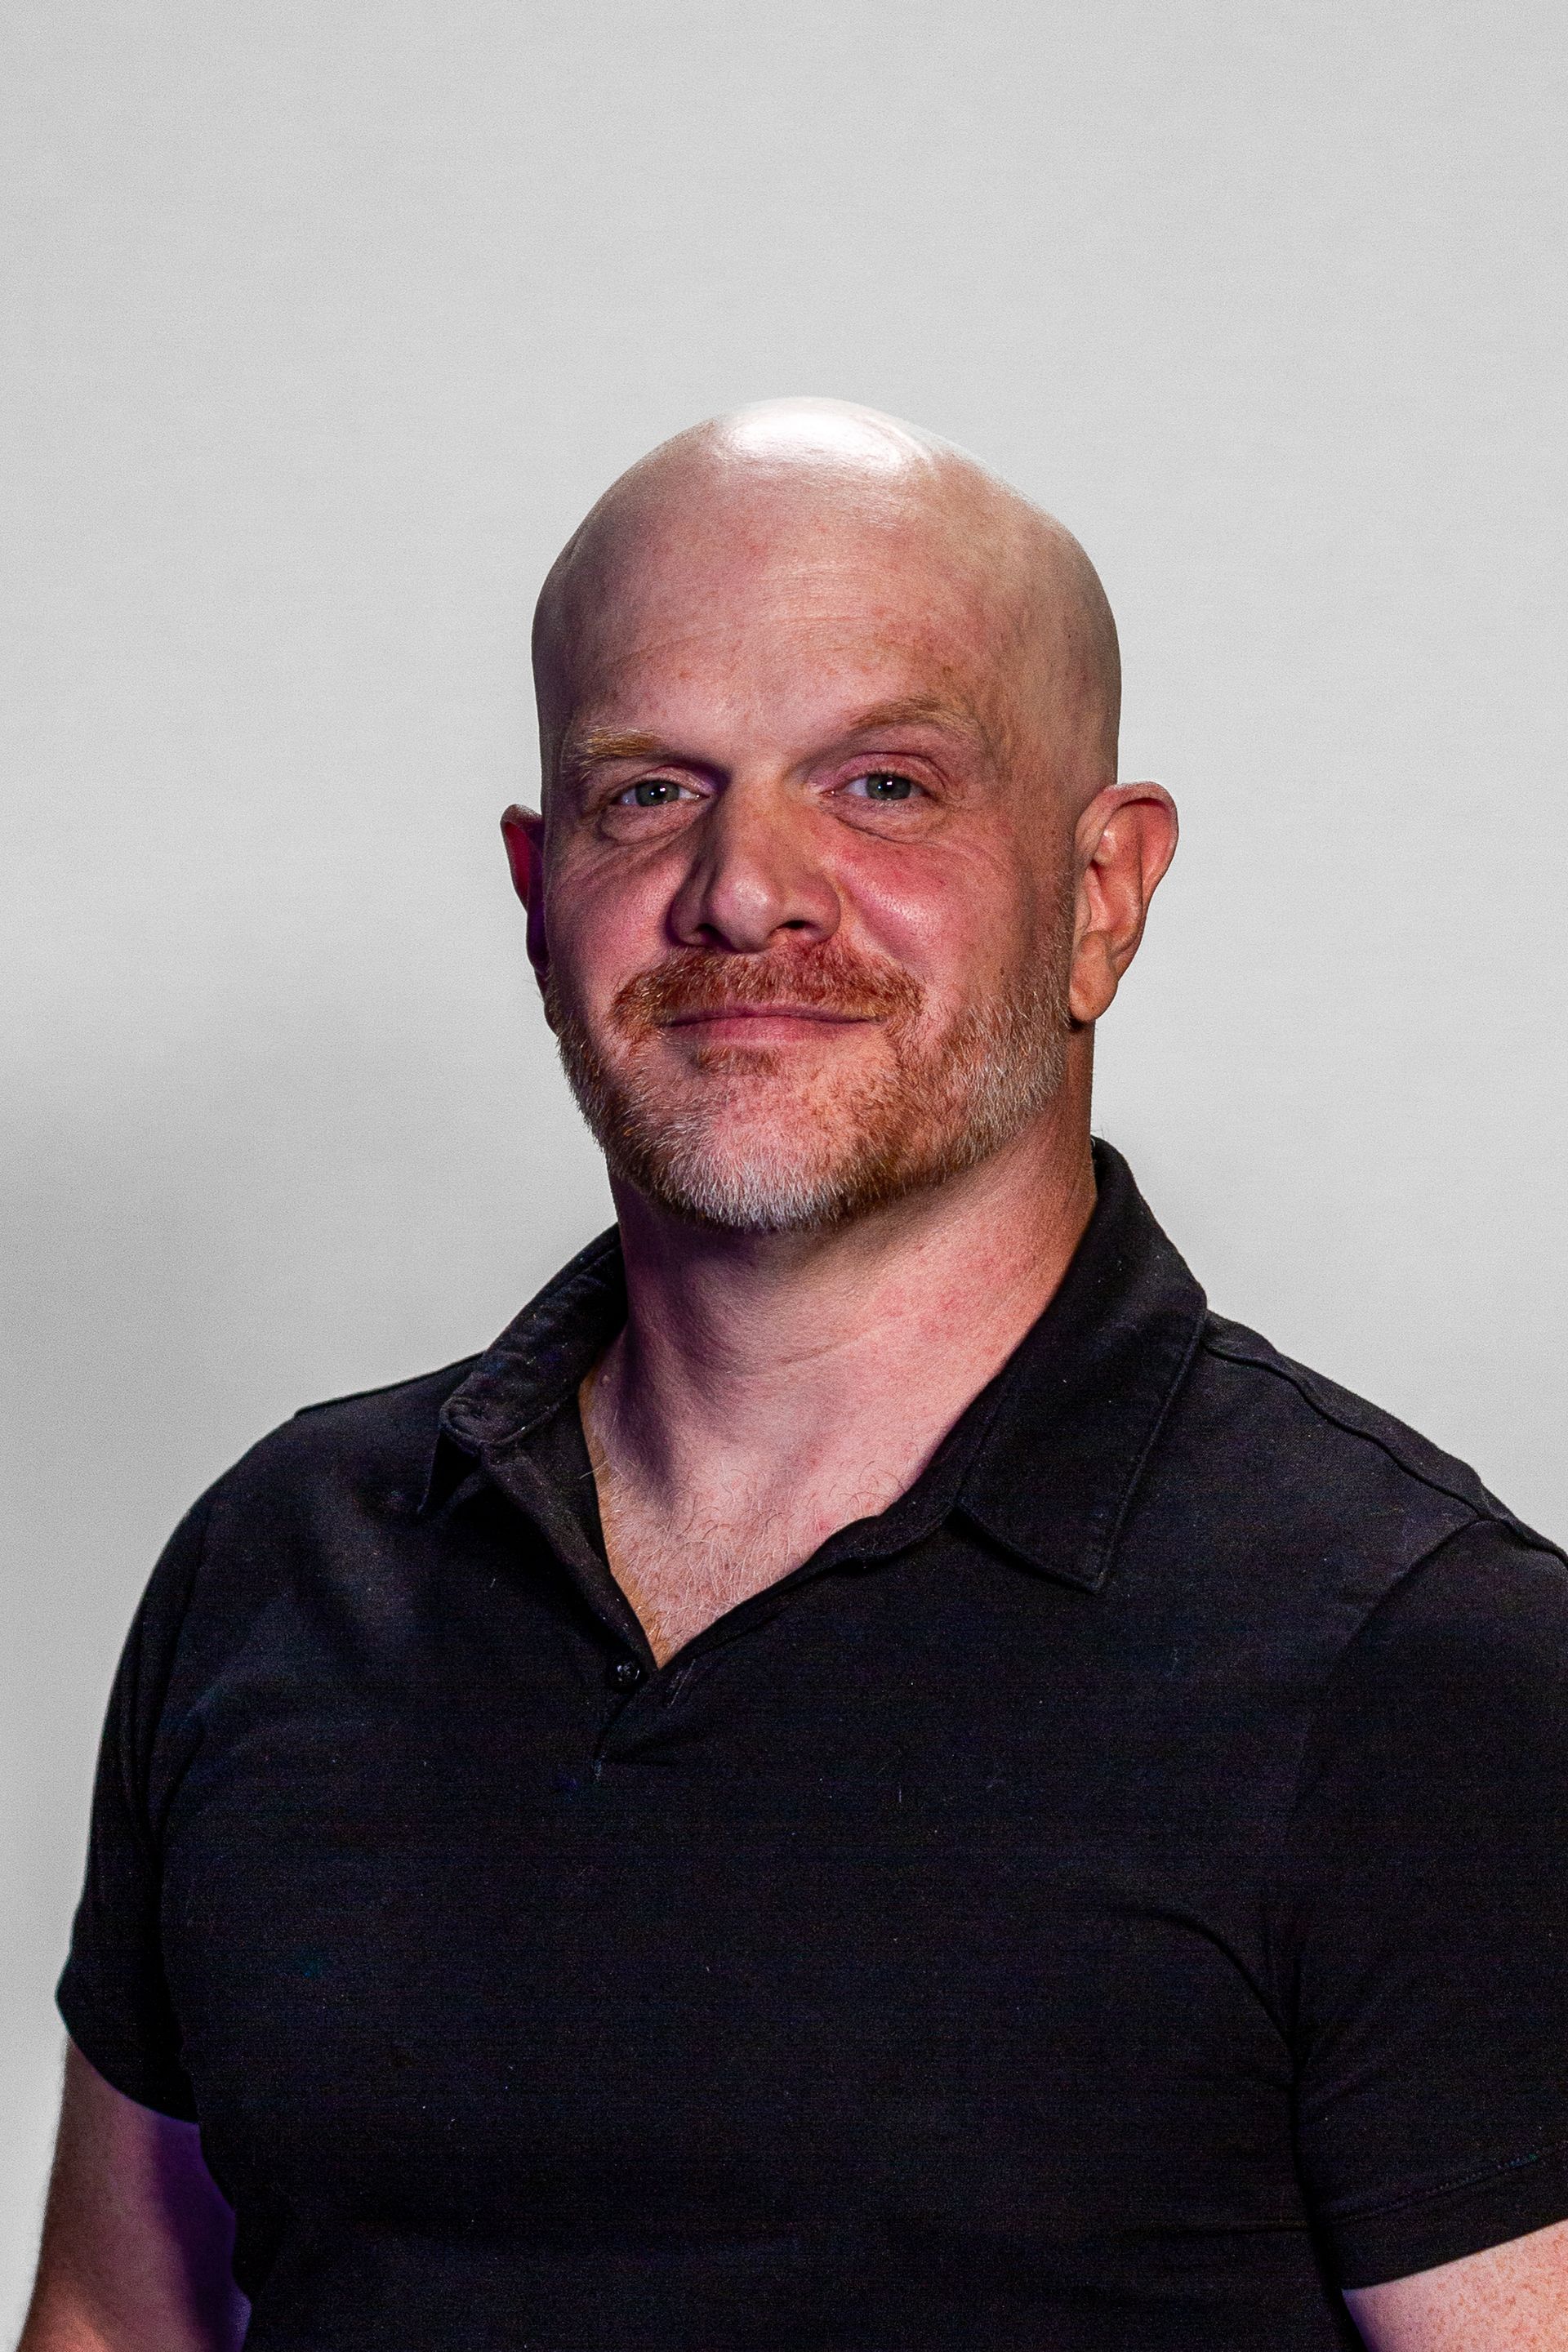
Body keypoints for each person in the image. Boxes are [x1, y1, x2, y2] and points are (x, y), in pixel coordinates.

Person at [20, 399, 1568, 2352]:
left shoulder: (1426, 1671)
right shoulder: (279, 1565)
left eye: (887, 785)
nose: (748, 890)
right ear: (534, 886)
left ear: (1105, 892)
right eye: (650, 793)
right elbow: (113, 2319)